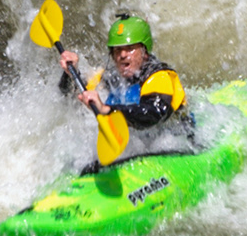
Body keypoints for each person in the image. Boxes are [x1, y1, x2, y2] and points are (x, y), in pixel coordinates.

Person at [58, 13, 196, 163]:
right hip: (142, 146)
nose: (122, 55)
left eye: (130, 48)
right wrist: (71, 73)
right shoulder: (110, 77)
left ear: (144, 52)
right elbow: (70, 96)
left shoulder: (159, 76)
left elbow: (154, 113)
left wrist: (108, 110)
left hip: (177, 143)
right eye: (117, 50)